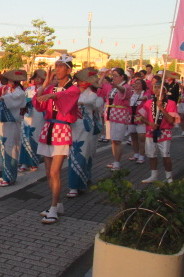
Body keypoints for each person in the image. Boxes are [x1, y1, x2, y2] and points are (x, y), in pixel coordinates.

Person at [33, 55, 80, 224]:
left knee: (55, 171)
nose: (57, 69)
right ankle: (57, 204)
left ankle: (54, 207)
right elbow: (38, 104)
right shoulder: (51, 88)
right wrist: (45, 85)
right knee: (47, 172)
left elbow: (68, 100)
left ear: (68, 70)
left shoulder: (73, 89)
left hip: (61, 129)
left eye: (61, 66)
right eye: (56, 66)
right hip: (48, 129)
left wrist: (52, 96)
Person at [137, 78, 178, 183]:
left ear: (164, 90)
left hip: (164, 132)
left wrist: (162, 108)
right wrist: (150, 123)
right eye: (155, 87)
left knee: (165, 155)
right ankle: (153, 175)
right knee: (151, 155)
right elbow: (139, 116)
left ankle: (169, 178)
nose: (156, 89)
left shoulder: (171, 103)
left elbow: (171, 120)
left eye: (159, 87)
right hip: (150, 132)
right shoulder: (148, 102)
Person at [67, 68, 99, 198]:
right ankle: (79, 181)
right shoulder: (73, 92)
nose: (79, 82)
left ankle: (75, 185)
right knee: (73, 154)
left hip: (86, 127)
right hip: (73, 126)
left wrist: (75, 101)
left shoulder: (92, 94)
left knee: (81, 153)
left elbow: (92, 103)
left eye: (81, 80)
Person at [0, 69, 27, 187]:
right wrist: (4, 96)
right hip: (5, 123)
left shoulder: (19, 93)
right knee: (5, 149)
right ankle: (6, 174)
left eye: (10, 80)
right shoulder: (10, 91)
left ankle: (9, 177)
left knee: (11, 148)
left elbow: (13, 101)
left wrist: (3, 98)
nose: (8, 82)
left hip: (12, 123)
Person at [101, 67, 132, 171]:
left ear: (122, 76)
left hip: (121, 115)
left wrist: (117, 86)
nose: (113, 78)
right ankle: (115, 160)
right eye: (112, 76)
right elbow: (99, 86)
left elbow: (124, 91)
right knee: (113, 140)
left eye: (115, 76)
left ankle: (117, 162)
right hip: (111, 114)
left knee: (118, 140)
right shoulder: (112, 87)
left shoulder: (126, 86)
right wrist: (103, 75)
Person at [18, 69, 45, 172]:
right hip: (27, 115)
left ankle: (34, 161)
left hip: (39, 115)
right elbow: (22, 101)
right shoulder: (28, 89)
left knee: (35, 137)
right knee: (25, 138)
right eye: (36, 77)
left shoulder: (45, 89)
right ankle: (24, 162)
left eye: (40, 77)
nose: (38, 79)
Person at [127, 78, 148, 164]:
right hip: (131, 116)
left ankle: (142, 155)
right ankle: (136, 153)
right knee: (133, 136)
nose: (136, 85)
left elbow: (147, 97)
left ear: (142, 85)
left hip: (141, 117)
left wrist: (142, 98)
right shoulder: (132, 94)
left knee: (141, 137)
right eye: (135, 83)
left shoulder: (146, 93)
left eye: (138, 83)